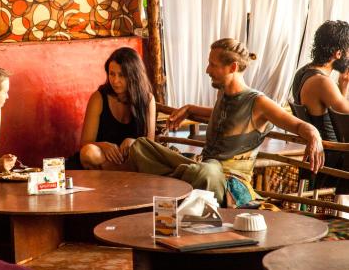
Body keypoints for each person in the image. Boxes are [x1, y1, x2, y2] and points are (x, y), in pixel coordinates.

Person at [127, 38, 324, 206]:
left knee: (205, 172)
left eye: (212, 64)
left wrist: (314, 136)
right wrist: (190, 108)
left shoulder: (259, 102)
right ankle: (182, 177)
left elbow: (297, 125)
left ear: (232, 67)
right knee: (140, 146)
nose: (207, 70)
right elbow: (225, 116)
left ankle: (178, 180)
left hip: (228, 182)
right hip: (205, 168)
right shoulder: (223, 93)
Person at [73, 47, 156, 170]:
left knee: (144, 159)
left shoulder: (147, 100)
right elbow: (85, 143)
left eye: (121, 75)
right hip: (103, 159)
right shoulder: (98, 98)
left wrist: (134, 142)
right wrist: (103, 146)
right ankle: (121, 174)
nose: (115, 80)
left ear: (134, 76)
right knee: (88, 152)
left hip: (131, 160)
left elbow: (150, 145)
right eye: (112, 74)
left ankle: (115, 175)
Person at [291, 19, 349, 192]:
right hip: (332, 158)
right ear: (338, 53)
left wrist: (343, 87)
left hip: (321, 154)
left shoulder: (303, 72)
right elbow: (346, 117)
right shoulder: (322, 82)